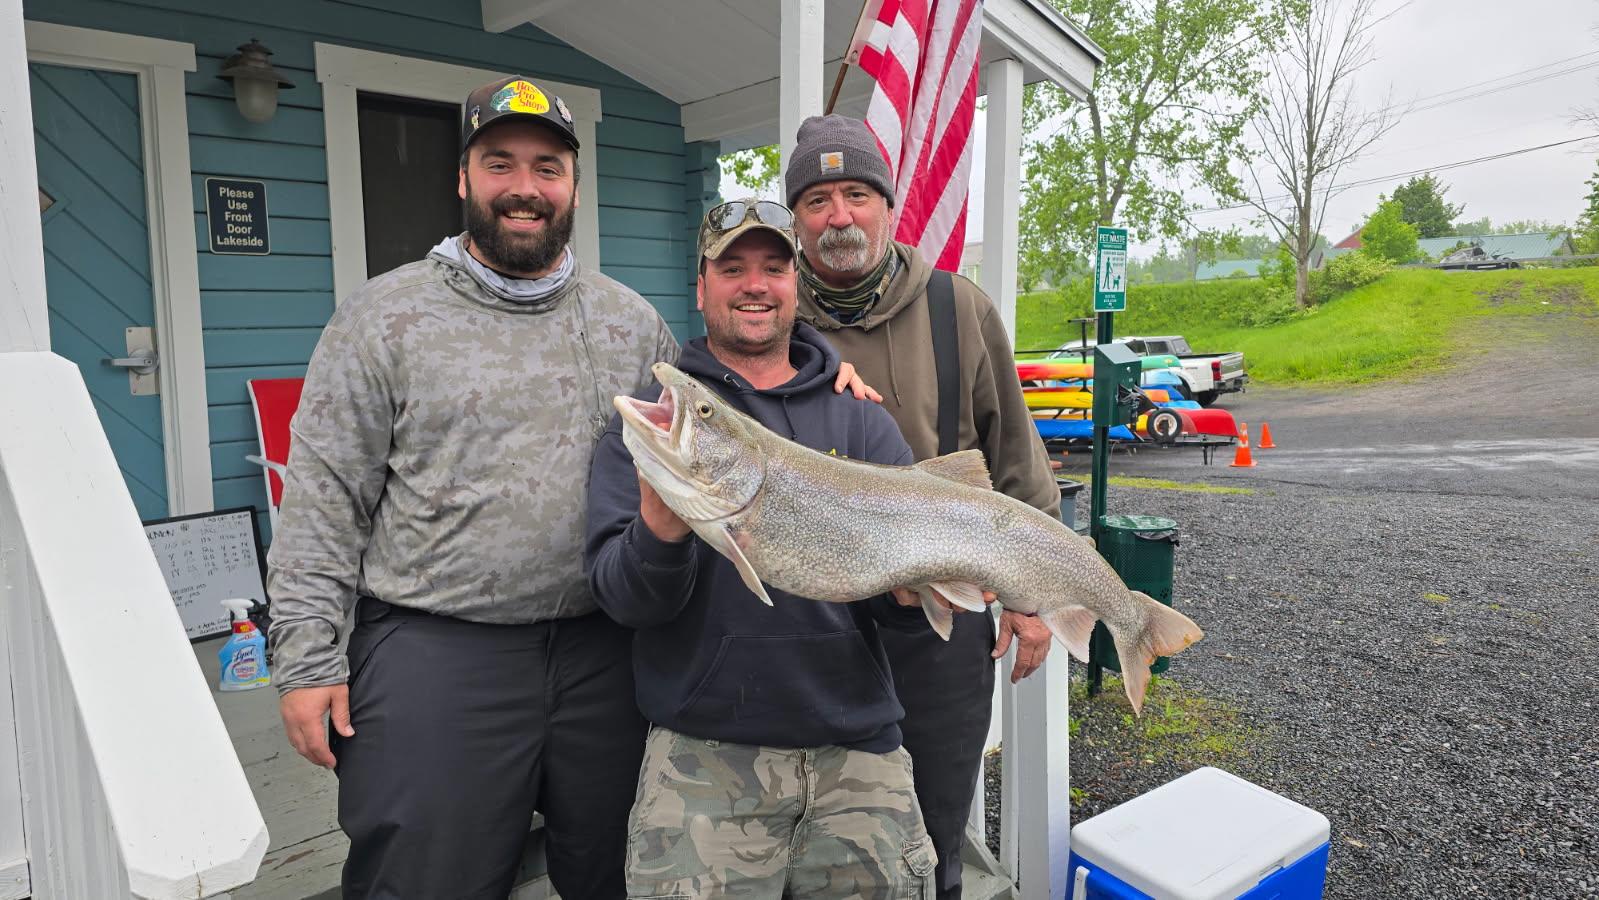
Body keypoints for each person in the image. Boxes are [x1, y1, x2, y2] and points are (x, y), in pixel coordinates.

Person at [264, 77, 874, 898]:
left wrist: (832, 370)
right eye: (500, 164)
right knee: (423, 873)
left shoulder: (629, 323)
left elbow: (734, 406)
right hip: (438, 646)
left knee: (620, 869)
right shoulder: (382, 318)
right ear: (463, 179)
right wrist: (305, 663)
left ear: (572, 186)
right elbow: (322, 499)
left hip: (607, 653)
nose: (524, 187)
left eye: (547, 167)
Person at [585, 199, 943, 898]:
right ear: (700, 286)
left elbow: (906, 624)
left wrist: (913, 595)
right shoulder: (652, 431)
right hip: (701, 761)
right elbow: (623, 602)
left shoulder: (861, 420)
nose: (754, 284)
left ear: (797, 283)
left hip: (858, 758)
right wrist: (661, 529)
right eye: (733, 268)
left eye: (773, 268)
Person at [784, 114, 1063, 900]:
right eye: (816, 200)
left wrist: (1029, 598)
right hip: (817, 617)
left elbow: (1014, 455)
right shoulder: (770, 316)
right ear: (796, 220)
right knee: (818, 828)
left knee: (934, 818)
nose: (839, 216)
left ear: (887, 203)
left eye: (856, 194)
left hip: (943, 613)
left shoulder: (957, 307)